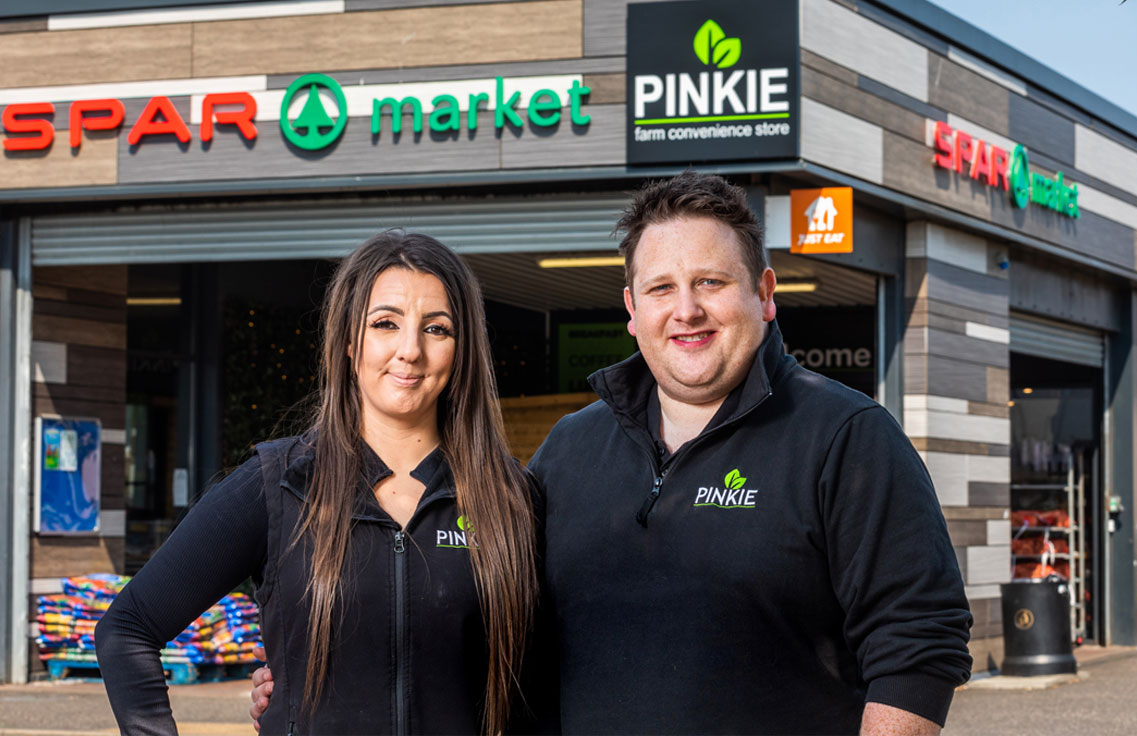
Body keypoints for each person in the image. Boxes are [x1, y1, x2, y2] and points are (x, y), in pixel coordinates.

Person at [253, 172, 974, 734]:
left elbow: (918, 647)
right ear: (632, 310)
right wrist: (327, 662)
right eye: (660, 287)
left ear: (764, 294)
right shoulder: (570, 450)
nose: (684, 310)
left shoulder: (846, 439)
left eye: (710, 283)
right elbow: (489, 607)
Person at [96, 231, 546, 736]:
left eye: (436, 329)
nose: (410, 350)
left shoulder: (511, 497)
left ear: (461, 350)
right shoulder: (281, 483)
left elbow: (543, 680)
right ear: (350, 343)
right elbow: (128, 628)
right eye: (385, 324)